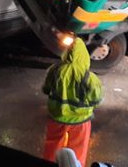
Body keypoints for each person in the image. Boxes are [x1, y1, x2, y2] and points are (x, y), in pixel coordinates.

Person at [42, 34, 103, 166]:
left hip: (57, 116)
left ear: (67, 53)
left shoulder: (55, 70)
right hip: (81, 120)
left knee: (52, 144)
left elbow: (46, 89)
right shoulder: (89, 77)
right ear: (84, 56)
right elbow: (95, 99)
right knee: (78, 148)